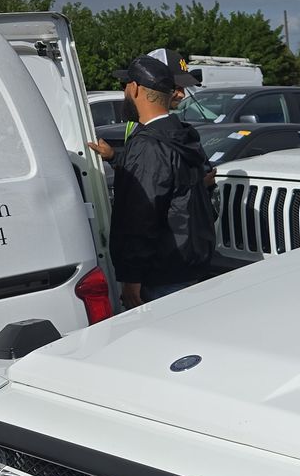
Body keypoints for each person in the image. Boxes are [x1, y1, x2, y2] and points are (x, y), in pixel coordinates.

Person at [87, 49, 214, 308]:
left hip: (163, 274)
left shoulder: (149, 145)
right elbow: (167, 184)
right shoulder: (182, 135)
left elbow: (141, 215)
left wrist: (131, 278)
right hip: (191, 264)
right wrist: (116, 158)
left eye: (125, 86)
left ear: (134, 88)